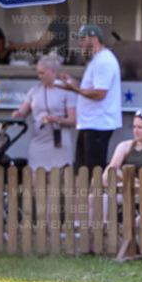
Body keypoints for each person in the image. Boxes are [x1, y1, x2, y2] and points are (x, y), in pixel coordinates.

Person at [56, 23, 122, 172]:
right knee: (82, 169)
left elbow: (99, 93)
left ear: (93, 38)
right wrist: (71, 82)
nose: (79, 43)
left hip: (98, 123)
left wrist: (74, 88)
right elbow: (91, 88)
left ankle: (94, 195)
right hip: (89, 123)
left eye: (82, 39)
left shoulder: (104, 61)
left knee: (93, 171)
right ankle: (84, 195)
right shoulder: (97, 60)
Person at [10, 55, 76, 171]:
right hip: (39, 141)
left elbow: (73, 120)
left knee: (54, 181)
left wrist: (56, 119)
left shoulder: (66, 91)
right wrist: (17, 114)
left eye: (42, 73)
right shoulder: (34, 91)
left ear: (53, 71)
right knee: (35, 179)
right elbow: (23, 110)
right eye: (38, 73)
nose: (39, 77)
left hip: (58, 141)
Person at [6, 3, 71, 63]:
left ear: (53, 5)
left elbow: (39, 45)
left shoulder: (58, 24)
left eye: (46, 4)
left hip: (53, 63)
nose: (43, 7)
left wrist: (16, 46)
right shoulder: (58, 23)